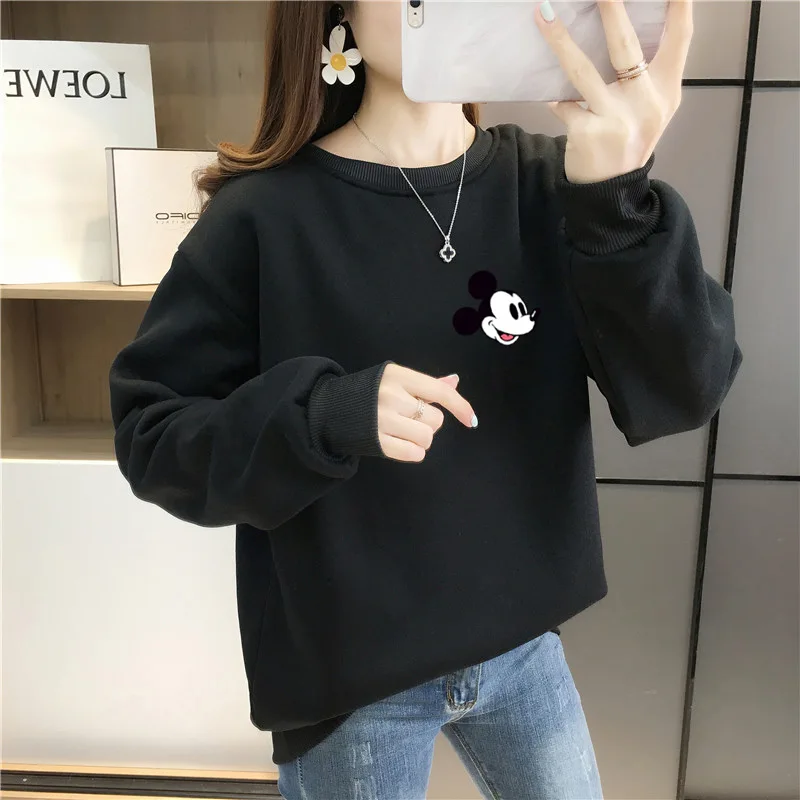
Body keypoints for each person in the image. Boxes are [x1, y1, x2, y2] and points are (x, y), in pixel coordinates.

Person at [109, 0, 741, 797]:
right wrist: (324, 415)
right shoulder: (263, 217)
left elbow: (687, 388)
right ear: (335, 14)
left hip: (521, 646)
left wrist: (618, 200)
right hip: (352, 674)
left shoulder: (558, 186)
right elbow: (153, 433)